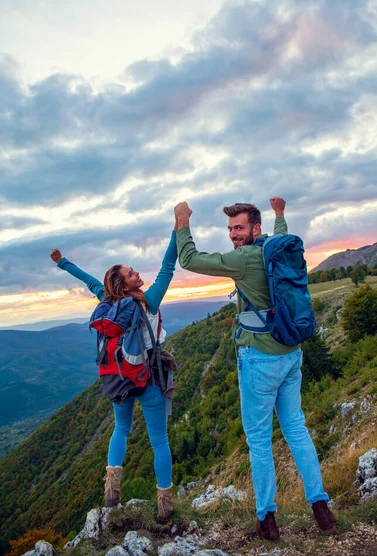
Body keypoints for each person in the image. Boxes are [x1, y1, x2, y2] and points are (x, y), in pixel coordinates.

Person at [173, 198, 336, 540]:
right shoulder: (275, 249)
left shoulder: (244, 259)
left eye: (239, 228)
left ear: (254, 229)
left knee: (259, 440)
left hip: (259, 358)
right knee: (296, 428)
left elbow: (189, 258)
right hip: (291, 353)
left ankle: (267, 519)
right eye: (230, 229)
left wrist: (182, 221)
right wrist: (279, 214)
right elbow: (281, 234)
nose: (233, 235)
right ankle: (321, 508)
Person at [50, 230, 177, 523]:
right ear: (124, 284)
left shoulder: (108, 302)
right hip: (150, 379)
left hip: (119, 379)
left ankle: (111, 492)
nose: (137, 274)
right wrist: (177, 228)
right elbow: (168, 266)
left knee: (121, 429)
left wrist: (62, 262)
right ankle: (164, 506)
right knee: (159, 441)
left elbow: (90, 281)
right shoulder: (148, 300)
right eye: (131, 273)